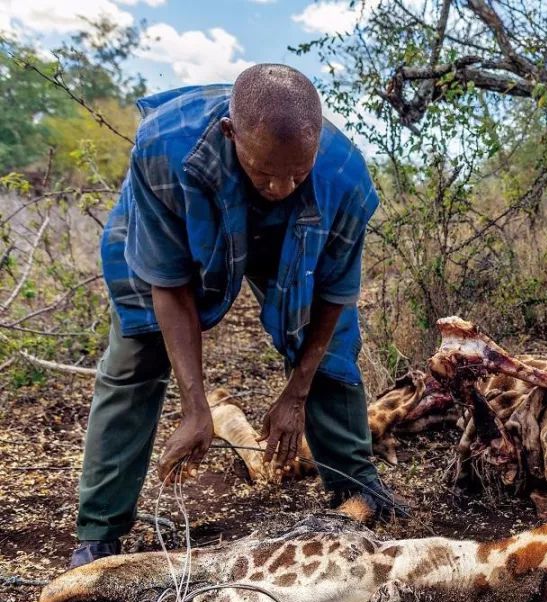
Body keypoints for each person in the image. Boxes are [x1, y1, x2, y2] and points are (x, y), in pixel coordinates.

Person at [71, 64, 403, 569]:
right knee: (137, 351)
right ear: (231, 134)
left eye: (298, 172)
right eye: (265, 171)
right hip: (181, 220)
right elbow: (168, 281)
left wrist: (296, 394)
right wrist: (194, 407)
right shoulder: (164, 150)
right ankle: (99, 532)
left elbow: (335, 294)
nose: (281, 187)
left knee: (334, 352)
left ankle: (356, 486)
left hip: (294, 235)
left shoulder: (344, 178)